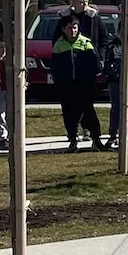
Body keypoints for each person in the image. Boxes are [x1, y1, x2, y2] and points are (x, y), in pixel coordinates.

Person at [49, 10, 103, 150]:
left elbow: (95, 64)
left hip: (84, 85)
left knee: (89, 112)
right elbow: (55, 68)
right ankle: (73, 139)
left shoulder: (86, 43)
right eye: (69, 28)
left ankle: (96, 139)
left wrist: (91, 81)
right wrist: (60, 83)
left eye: (75, 27)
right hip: (67, 85)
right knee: (69, 113)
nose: (72, 30)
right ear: (63, 29)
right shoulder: (59, 45)